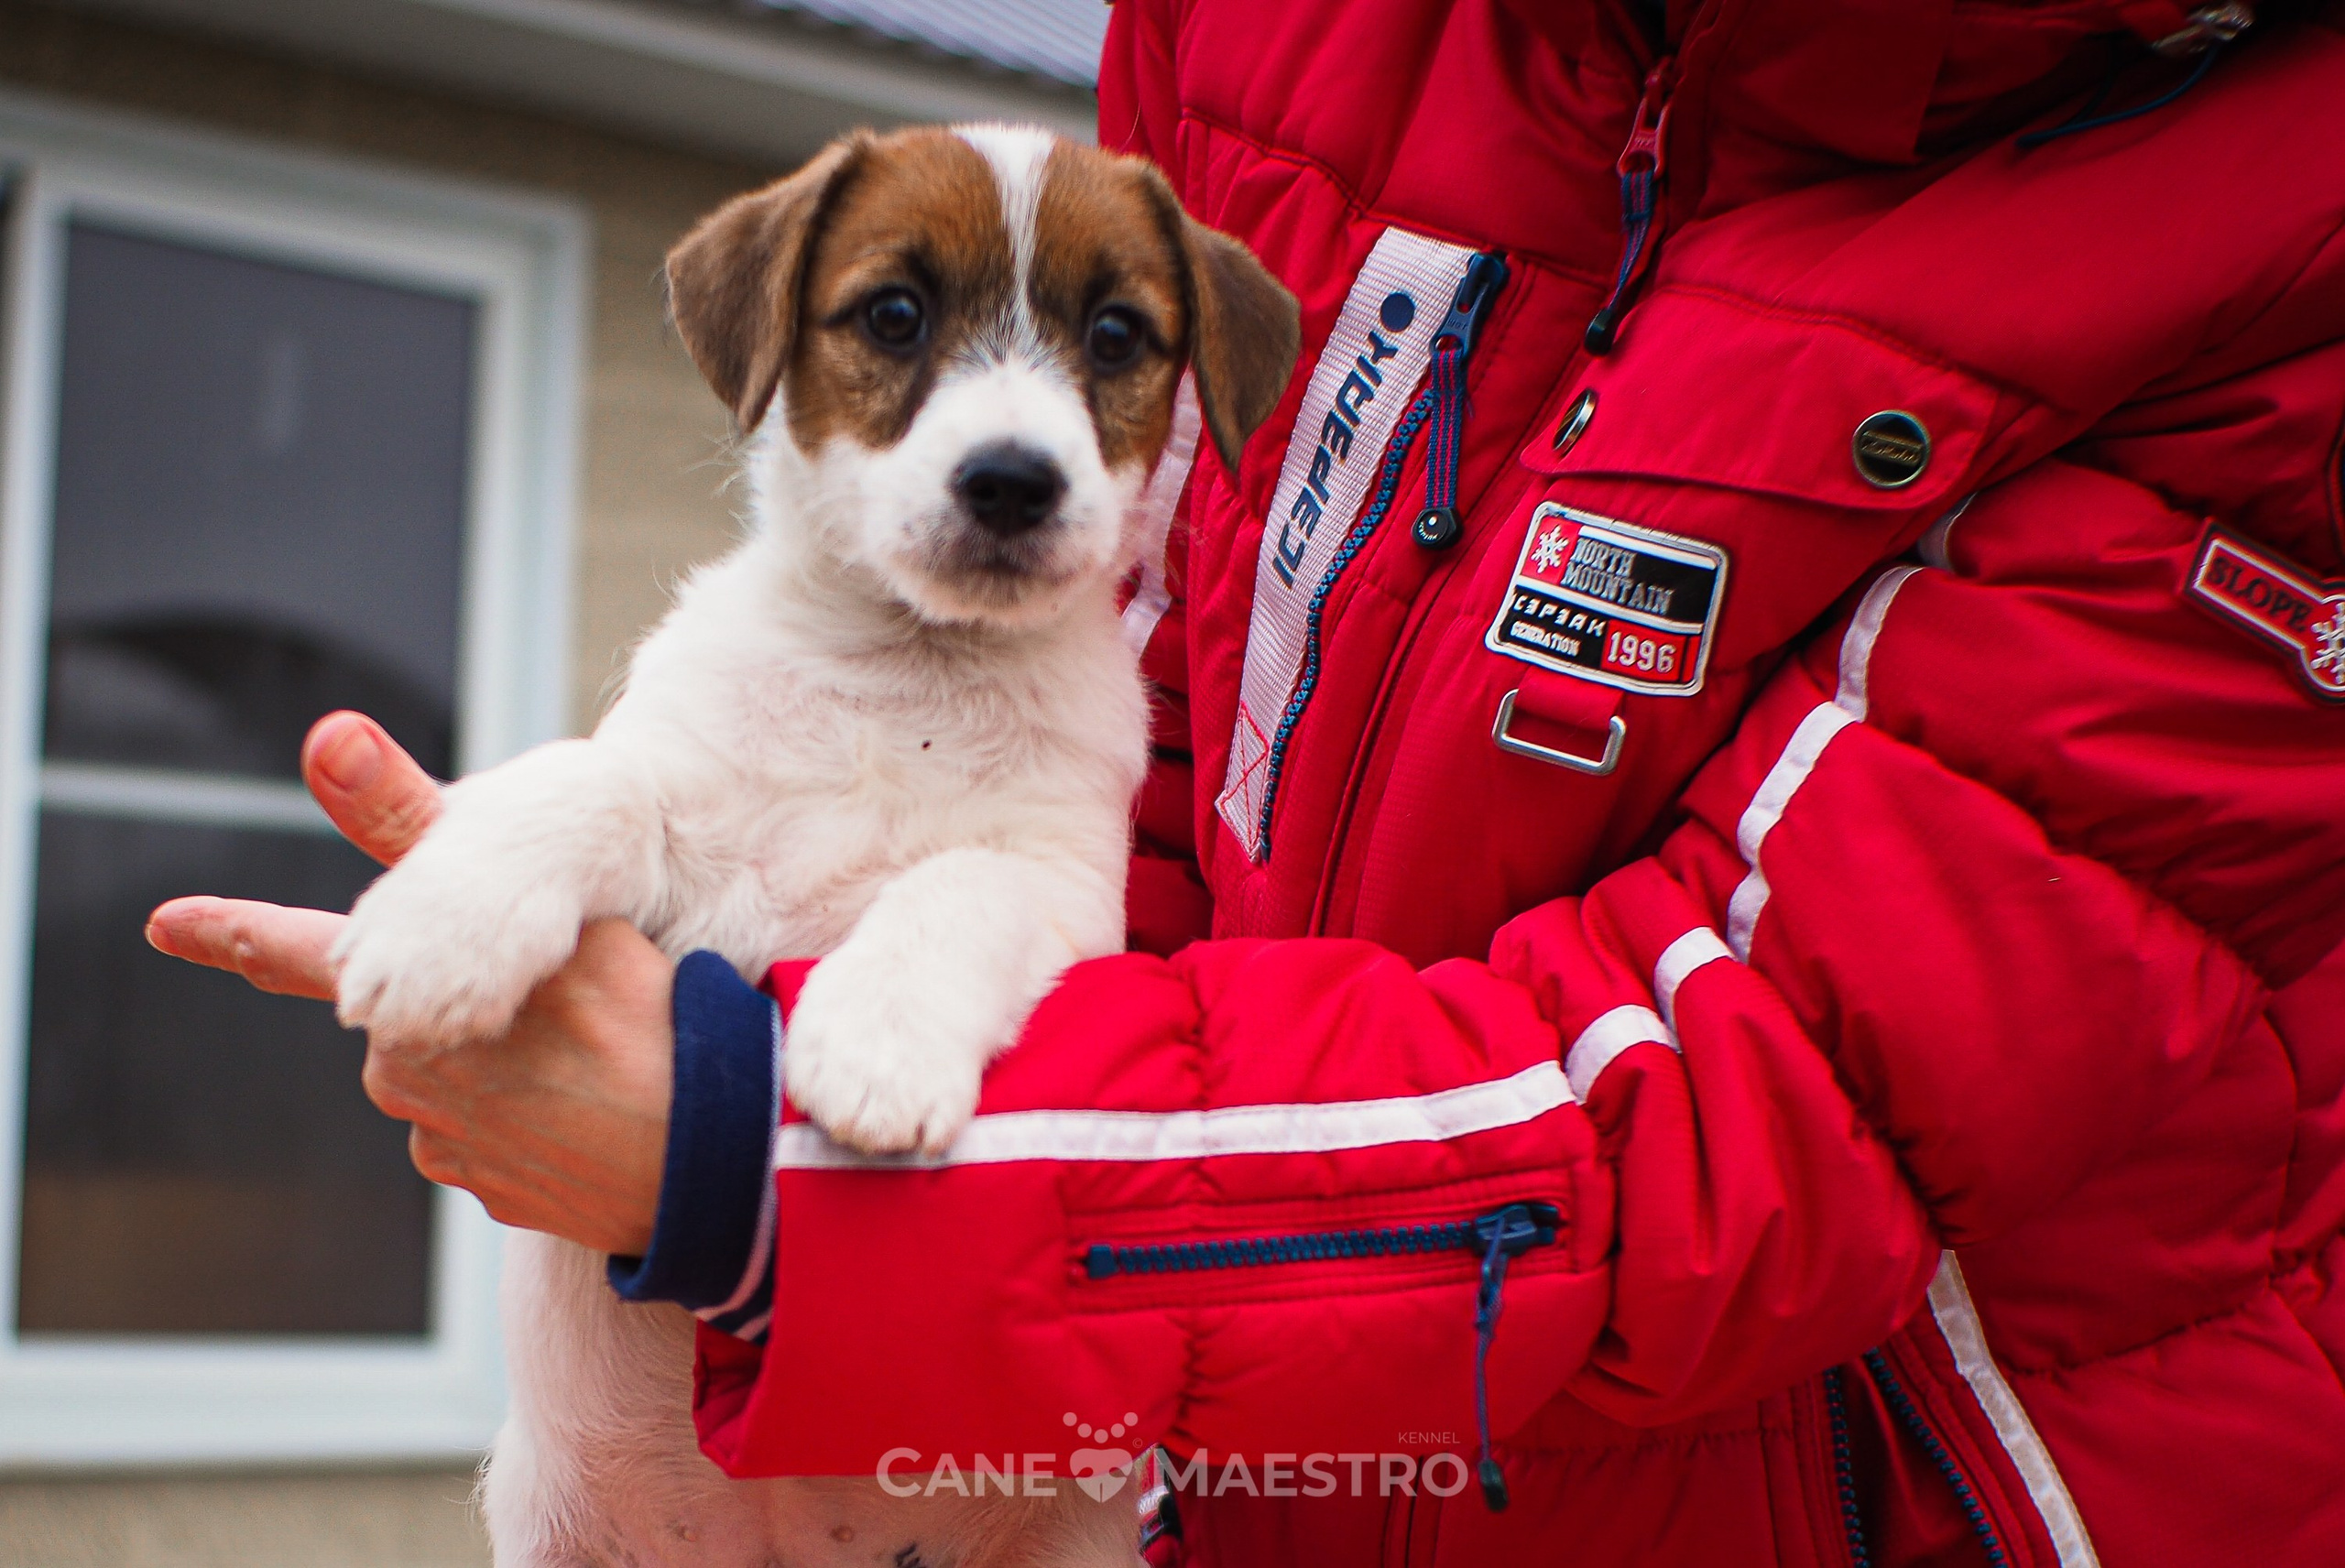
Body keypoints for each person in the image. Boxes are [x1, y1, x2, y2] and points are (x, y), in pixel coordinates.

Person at [152, 0, 2345, 1561]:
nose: (1011, 426)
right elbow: (1172, 780)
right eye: (899, 325)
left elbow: (1768, 1100)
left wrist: (741, 1136)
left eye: (1106, 350)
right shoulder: (1267, 37)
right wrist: (561, 873)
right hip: (1140, 1426)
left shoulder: (2265, 226)